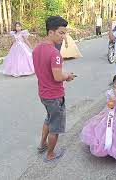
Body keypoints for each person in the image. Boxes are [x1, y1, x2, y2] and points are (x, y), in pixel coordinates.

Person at [33, 16, 76, 162]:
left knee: (49, 118)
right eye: (61, 33)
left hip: (43, 93)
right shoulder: (54, 53)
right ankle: (50, 154)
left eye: (65, 33)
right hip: (54, 95)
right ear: (51, 32)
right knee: (55, 126)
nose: (64, 37)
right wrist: (68, 76)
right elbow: (58, 77)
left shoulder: (37, 48)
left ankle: (42, 144)